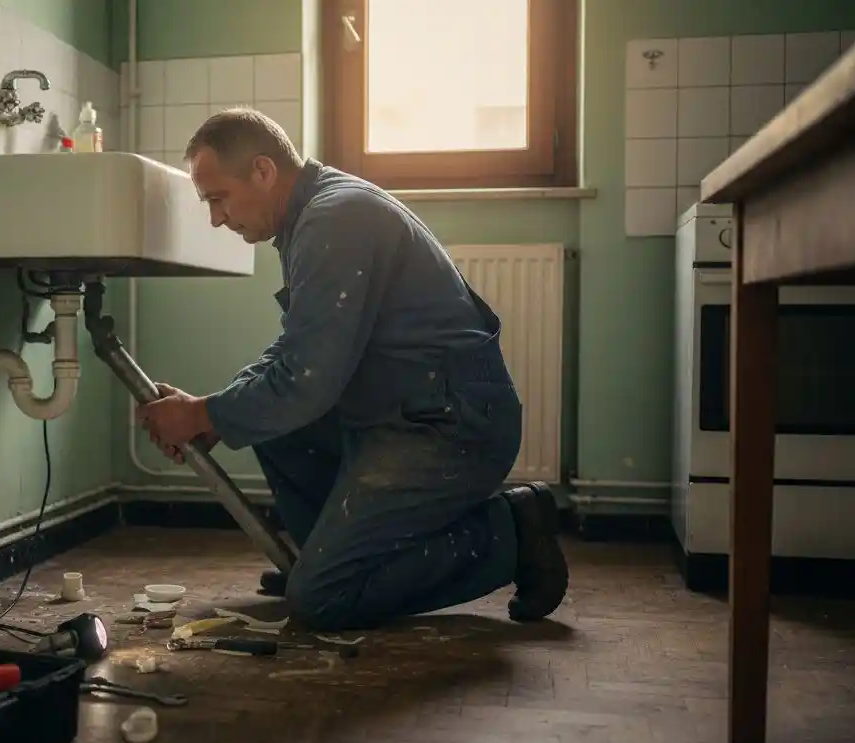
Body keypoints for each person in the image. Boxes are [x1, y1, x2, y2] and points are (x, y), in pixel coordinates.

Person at [135, 108, 568, 633]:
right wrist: (210, 412)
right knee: (274, 428)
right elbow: (299, 352)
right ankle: (328, 554)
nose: (216, 218)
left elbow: (306, 382)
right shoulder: (312, 217)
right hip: (410, 408)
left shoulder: (333, 219)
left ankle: (511, 533)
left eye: (218, 198)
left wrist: (208, 412)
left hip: (451, 425)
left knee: (321, 599)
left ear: (264, 171)